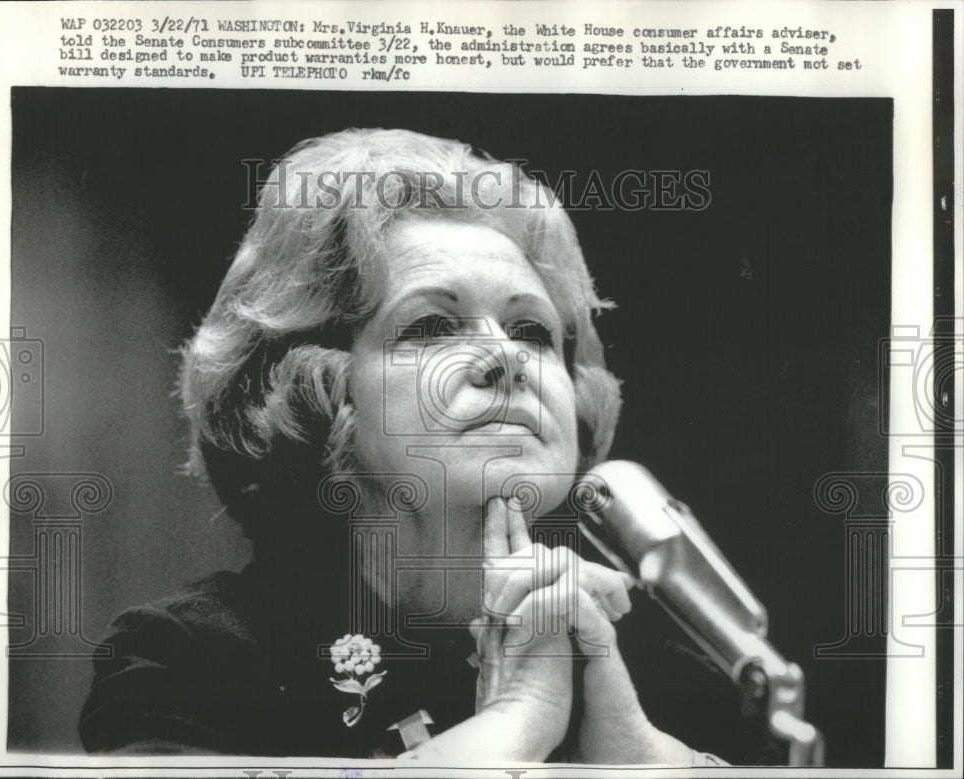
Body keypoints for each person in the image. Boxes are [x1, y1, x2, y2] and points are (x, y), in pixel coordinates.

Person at [79, 128, 768, 763]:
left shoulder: (665, 666)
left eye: (532, 330)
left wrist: (647, 762)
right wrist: (520, 718)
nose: (507, 360)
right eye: (434, 326)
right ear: (322, 390)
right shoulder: (190, 659)